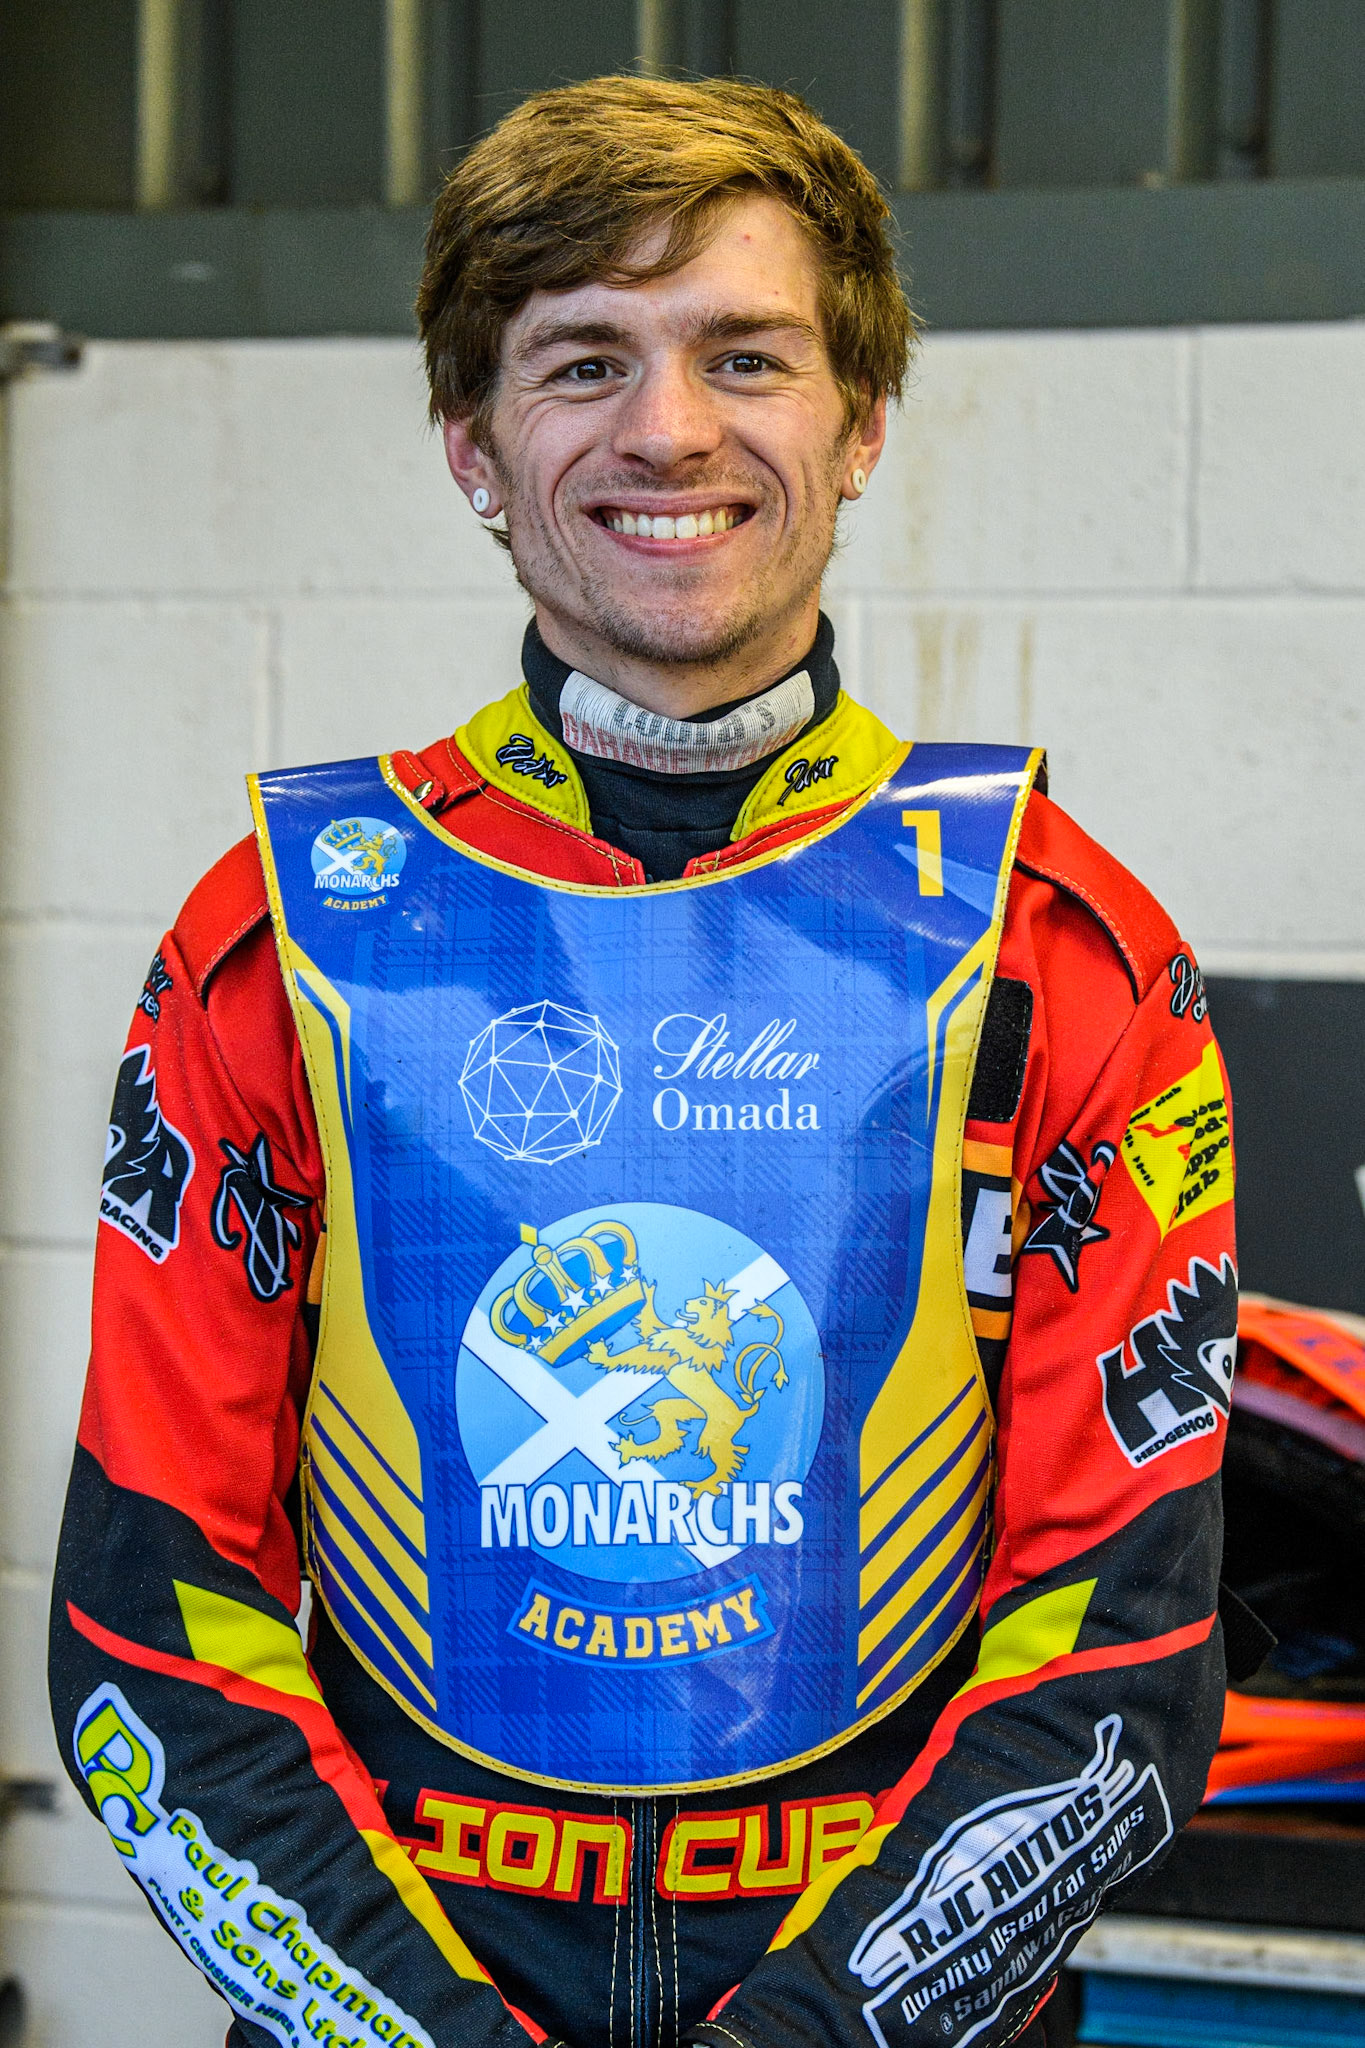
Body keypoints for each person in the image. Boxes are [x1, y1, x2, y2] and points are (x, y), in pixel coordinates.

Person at [50, 74, 1238, 2048]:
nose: (666, 427)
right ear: (471, 446)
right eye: (579, 359)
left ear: (857, 427)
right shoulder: (280, 939)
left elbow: (1118, 1652)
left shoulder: (1057, 945)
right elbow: (147, 1631)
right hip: (400, 1994)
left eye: (743, 355)